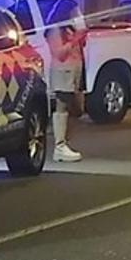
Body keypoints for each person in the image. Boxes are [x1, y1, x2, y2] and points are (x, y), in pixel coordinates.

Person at [46, 20, 86, 162]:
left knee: (77, 109)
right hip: (63, 72)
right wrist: (75, 39)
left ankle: (64, 142)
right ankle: (60, 145)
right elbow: (59, 54)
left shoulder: (70, 27)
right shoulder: (55, 29)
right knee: (62, 105)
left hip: (75, 72)